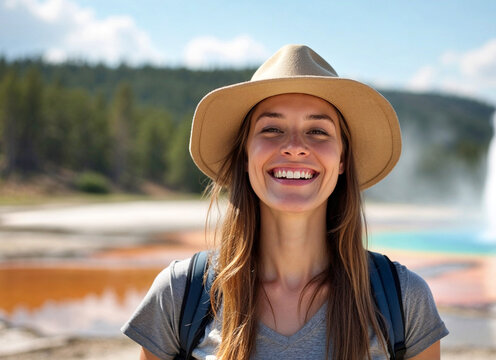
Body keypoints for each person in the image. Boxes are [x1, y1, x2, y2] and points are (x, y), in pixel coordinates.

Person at [122, 44, 448, 360]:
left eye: (318, 131)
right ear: (245, 156)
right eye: (272, 128)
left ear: (343, 159)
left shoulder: (403, 299)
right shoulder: (180, 295)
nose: (294, 147)